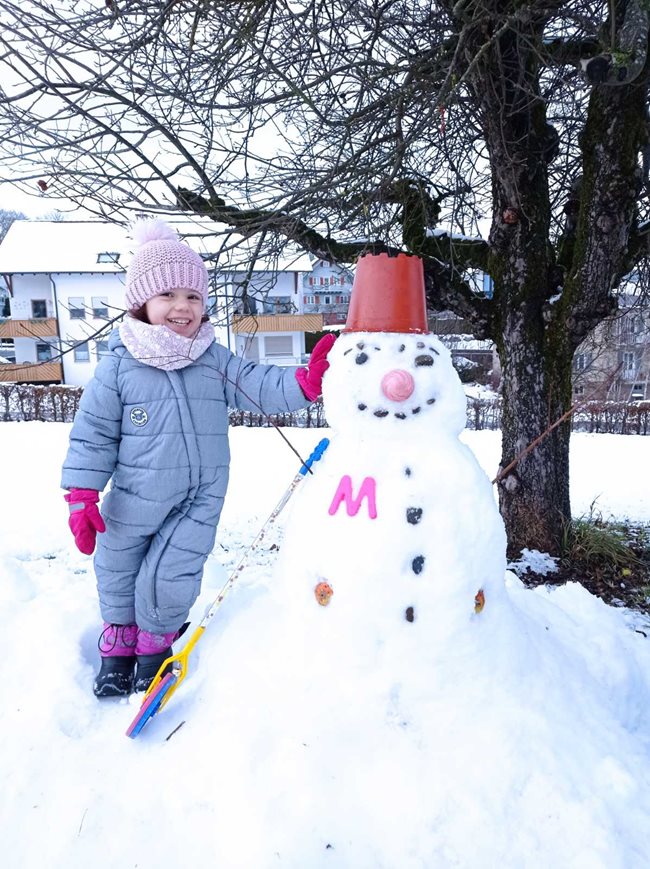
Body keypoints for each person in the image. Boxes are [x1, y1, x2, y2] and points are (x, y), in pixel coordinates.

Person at [61, 218, 335, 698]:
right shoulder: (119, 365)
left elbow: (257, 383)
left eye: (193, 296)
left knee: (174, 573)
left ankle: (153, 646)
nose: (182, 307)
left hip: (201, 495)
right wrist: (82, 494)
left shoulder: (212, 357)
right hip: (133, 494)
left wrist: (303, 383)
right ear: (141, 303)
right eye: (168, 295)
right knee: (118, 564)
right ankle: (119, 641)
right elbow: (93, 434)